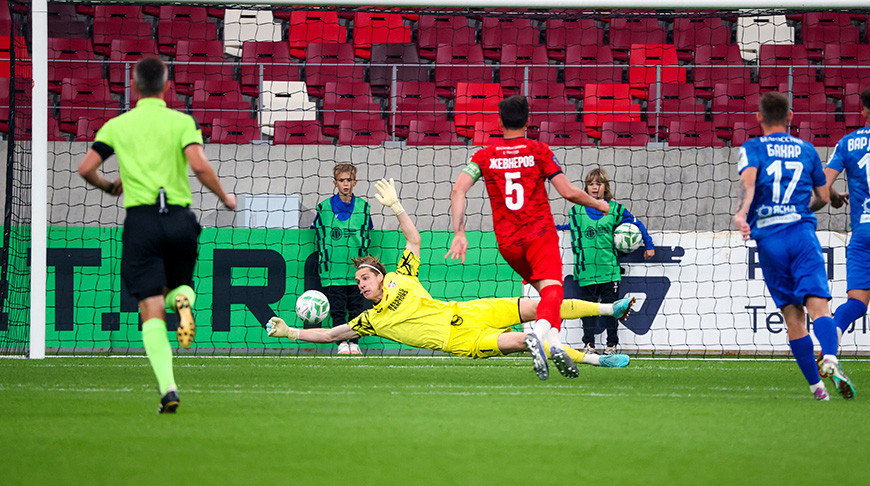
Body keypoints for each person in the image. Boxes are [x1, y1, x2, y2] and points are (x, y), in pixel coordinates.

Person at [268, 179, 635, 379]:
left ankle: (610, 307)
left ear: (380, 276)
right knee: (525, 341)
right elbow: (331, 334)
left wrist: (396, 207)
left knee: (542, 305)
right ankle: (597, 361)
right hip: (461, 340)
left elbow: (414, 239)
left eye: (365, 278)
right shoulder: (371, 320)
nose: (361, 284)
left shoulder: (401, 276)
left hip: (468, 310)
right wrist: (291, 332)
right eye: (359, 281)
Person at [77, 57, 237, 413]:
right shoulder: (181, 122)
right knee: (179, 286)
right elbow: (198, 165)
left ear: (133, 88)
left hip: (142, 221)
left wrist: (108, 186)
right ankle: (184, 303)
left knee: (149, 308)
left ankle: (168, 388)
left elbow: (86, 168)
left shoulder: (118, 125)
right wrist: (224, 196)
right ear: (168, 87)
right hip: (179, 218)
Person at [446, 95, 610, 379]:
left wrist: (459, 233)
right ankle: (538, 335)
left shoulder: (483, 156)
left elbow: (458, 189)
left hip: (508, 244)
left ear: (499, 122)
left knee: (546, 295)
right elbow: (568, 192)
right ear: (528, 121)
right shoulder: (539, 151)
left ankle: (555, 343)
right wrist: (599, 204)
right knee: (553, 291)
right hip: (539, 235)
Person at [733, 91, 854, 401]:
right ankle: (830, 356)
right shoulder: (807, 149)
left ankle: (817, 389)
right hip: (801, 233)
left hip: (770, 239)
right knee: (818, 305)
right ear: (790, 118)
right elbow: (823, 196)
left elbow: (749, 185)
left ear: (759, 118)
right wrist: (808, 203)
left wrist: (743, 213)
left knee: (792, 315)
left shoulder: (752, 148)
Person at [558, 168, 654, 355]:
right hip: (586, 271)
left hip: (609, 270)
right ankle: (589, 345)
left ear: (605, 187)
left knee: (612, 310)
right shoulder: (576, 211)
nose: (595, 188)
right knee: (587, 311)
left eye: (598, 184)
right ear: (585, 187)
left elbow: (637, 224)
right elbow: (569, 228)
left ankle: (612, 345)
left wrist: (648, 244)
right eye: (591, 184)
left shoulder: (616, 209)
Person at [818, 87, 870, 365]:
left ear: (863, 111)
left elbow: (823, 188)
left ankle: (833, 340)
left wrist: (837, 197)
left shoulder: (848, 143)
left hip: (863, 232)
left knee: (857, 303)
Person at [312, 163, 374, 356]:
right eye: (341, 180)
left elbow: (369, 232)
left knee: (357, 309)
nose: (345, 184)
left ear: (355, 182)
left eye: (349, 180)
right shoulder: (323, 209)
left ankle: (354, 343)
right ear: (335, 183)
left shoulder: (364, 208)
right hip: (333, 271)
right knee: (337, 310)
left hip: (357, 272)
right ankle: (341, 344)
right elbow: (316, 232)